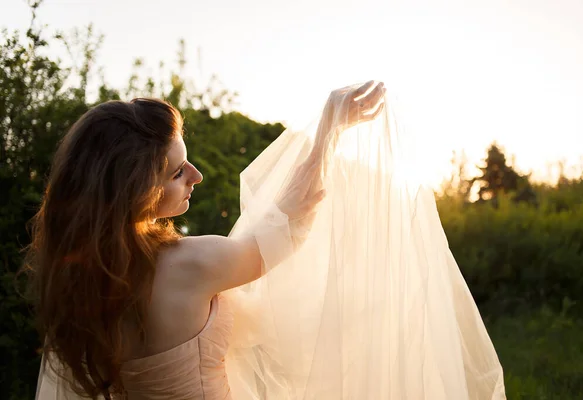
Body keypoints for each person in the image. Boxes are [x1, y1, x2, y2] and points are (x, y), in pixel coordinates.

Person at [30, 82, 399, 399]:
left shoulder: (74, 282)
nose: (197, 175)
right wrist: (328, 131)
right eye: (177, 172)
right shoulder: (192, 264)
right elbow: (291, 220)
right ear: (135, 189)